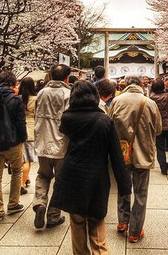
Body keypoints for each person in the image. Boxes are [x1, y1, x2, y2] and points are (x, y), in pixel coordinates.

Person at [49, 81, 131, 254]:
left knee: (77, 222)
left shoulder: (67, 118)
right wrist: (124, 185)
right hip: (97, 177)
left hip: (72, 175)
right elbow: (116, 155)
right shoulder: (104, 121)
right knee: (96, 225)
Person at [108, 75, 162, 243]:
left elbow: (108, 125)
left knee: (124, 187)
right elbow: (159, 129)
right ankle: (135, 231)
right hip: (143, 153)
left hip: (121, 152)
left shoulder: (117, 101)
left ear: (126, 84)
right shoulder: (150, 103)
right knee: (141, 192)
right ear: (140, 85)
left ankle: (123, 221)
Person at [0, 70, 27, 221]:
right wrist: (23, 138)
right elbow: (21, 122)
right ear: (13, 83)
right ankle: (13, 203)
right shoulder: (16, 100)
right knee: (16, 171)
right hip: (14, 141)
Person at [33, 64, 72, 229]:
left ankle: (40, 203)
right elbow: (70, 119)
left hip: (42, 141)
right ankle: (53, 215)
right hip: (61, 143)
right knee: (60, 180)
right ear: (66, 78)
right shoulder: (68, 94)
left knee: (43, 175)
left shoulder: (41, 93)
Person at [18, 77, 37, 192]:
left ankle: (26, 178)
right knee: (27, 159)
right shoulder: (36, 99)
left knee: (21, 157)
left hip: (19, 129)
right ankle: (21, 183)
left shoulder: (18, 98)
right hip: (31, 129)